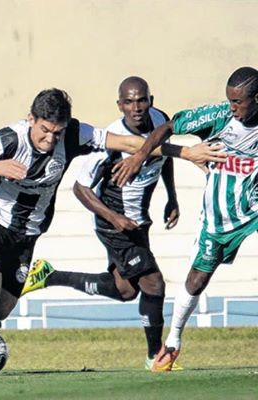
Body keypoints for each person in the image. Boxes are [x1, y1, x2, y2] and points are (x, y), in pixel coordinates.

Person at [0, 88, 225, 376]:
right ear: (31, 119)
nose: (50, 139)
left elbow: (130, 144)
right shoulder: (10, 139)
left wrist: (184, 153)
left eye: (57, 132)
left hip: (29, 232)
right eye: (44, 130)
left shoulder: (76, 133)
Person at [20, 77, 185, 370]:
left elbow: (164, 156)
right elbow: (80, 189)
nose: (136, 108)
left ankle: (50, 276)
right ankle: (155, 358)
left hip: (138, 222)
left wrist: (172, 197)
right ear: (119, 105)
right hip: (114, 222)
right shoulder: (112, 139)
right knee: (153, 283)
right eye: (129, 102)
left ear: (151, 100)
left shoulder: (161, 121)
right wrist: (115, 218)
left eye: (142, 100)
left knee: (125, 290)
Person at [111, 66, 258, 371]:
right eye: (229, 101)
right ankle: (174, 342)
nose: (232, 108)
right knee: (197, 278)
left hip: (254, 205)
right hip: (220, 215)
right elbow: (168, 125)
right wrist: (140, 157)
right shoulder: (219, 116)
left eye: (238, 103)